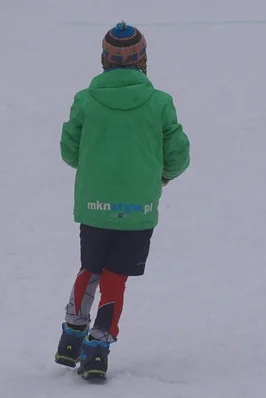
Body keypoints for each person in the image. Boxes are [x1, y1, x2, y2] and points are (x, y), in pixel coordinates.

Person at [54, 21, 190, 380]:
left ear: (104, 60)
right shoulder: (160, 103)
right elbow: (178, 154)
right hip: (138, 210)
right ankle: (98, 349)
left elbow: (70, 151)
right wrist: (158, 177)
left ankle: (71, 336)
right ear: (143, 60)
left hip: (94, 207)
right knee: (116, 277)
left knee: (91, 268)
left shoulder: (85, 100)